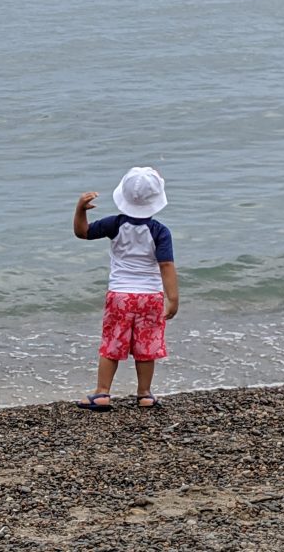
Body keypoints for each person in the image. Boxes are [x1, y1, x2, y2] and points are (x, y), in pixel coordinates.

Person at [74, 167, 178, 411]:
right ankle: (144, 394)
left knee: (112, 344)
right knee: (146, 347)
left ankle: (102, 393)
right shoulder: (160, 231)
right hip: (151, 296)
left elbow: (82, 232)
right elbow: (166, 266)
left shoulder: (115, 224)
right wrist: (173, 298)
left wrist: (80, 208)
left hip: (120, 295)